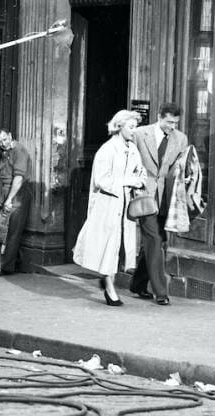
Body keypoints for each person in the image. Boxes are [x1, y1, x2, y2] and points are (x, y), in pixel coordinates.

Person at [73, 110, 146, 306]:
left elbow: (141, 173)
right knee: (108, 246)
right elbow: (102, 180)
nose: (134, 131)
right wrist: (128, 181)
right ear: (119, 126)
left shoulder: (133, 149)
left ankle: (107, 281)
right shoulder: (106, 150)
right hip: (108, 205)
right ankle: (109, 287)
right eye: (131, 127)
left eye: (135, 127)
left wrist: (138, 181)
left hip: (125, 206)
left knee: (118, 247)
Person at [130, 103, 189, 305]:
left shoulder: (180, 139)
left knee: (157, 240)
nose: (172, 127)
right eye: (169, 122)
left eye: (175, 123)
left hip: (165, 198)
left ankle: (137, 284)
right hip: (144, 195)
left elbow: (178, 169)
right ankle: (160, 292)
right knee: (154, 239)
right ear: (159, 117)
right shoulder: (139, 134)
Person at [0, 127, 32, 275]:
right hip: (5, 193)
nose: (3, 143)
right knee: (1, 230)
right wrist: (0, 200)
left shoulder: (19, 151)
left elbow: (18, 178)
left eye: (5, 139)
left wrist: (9, 199)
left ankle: (4, 266)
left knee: (10, 232)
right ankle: (0, 263)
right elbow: (2, 177)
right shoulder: (3, 152)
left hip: (17, 194)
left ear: (10, 135)